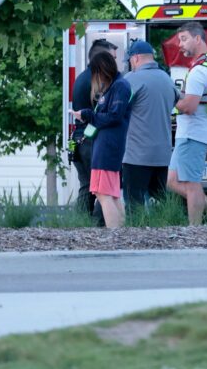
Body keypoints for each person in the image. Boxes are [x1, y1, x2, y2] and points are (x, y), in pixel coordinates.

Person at [167, 22, 207, 225]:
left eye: (184, 39)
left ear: (198, 38)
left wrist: (169, 98)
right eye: (179, 40)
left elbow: (189, 107)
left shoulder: (199, 70)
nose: (180, 44)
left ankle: (194, 229)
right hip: (194, 133)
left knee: (191, 183)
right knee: (172, 181)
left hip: (193, 133)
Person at [71, 51, 131, 228]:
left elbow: (114, 116)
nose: (94, 77)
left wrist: (87, 115)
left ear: (102, 69)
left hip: (107, 146)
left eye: (95, 72)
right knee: (111, 194)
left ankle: (114, 233)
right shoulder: (115, 86)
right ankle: (120, 231)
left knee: (102, 193)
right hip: (106, 144)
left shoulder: (119, 87)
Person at [122, 40, 179, 209]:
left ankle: (135, 233)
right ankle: (167, 229)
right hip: (162, 154)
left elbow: (117, 109)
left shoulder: (132, 79)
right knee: (162, 199)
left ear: (136, 58)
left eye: (130, 60)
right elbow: (179, 101)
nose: (130, 64)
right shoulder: (166, 78)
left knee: (134, 203)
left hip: (137, 155)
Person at [70, 39, 118, 217]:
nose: (115, 61)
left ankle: (82, 225)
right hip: (88, 140)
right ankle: (95, 224)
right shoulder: (94, 80)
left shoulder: (85, 76)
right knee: (98, 187)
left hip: (80, 138)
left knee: (88, 185)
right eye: (112, 57)